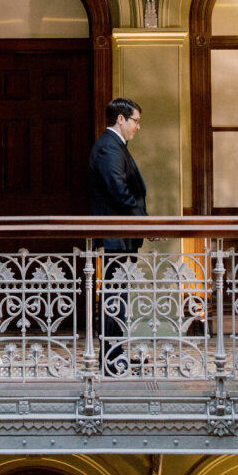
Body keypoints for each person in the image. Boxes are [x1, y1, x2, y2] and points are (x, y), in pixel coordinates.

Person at [88, 97, 147, 375]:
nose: (138, 127)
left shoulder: (115, 146)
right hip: (115, 235)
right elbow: (119, 191)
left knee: (118, 298)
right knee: (114, 298)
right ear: (120, 119)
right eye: (135, 121)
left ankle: (117, 354)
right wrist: (145, 223)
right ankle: (111, 359)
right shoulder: (108, 148)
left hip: (121, 235)